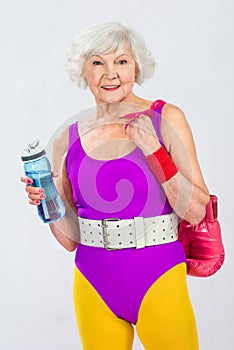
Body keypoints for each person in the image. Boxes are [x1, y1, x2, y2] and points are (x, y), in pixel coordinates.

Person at [21, 21, 210, 349]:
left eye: (121, 61)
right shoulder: (68, 139)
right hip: (93, 283)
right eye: (98, 62)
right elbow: (69, 240)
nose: (110, 73)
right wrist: (45, 201)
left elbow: (195, 210)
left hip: (159, 275)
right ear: (84, 71)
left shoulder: (165, 119)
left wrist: (155, 152)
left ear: (136, 66)